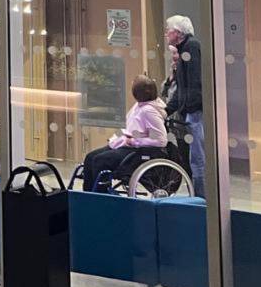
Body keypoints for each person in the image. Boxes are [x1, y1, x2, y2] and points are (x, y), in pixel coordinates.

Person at [79, 75, 168, 191]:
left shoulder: (149, 111)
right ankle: (87, 195)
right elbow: (127, 127)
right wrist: (115, 138)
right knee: (90, 157)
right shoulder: (138, 106)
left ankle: (101, 196)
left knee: (100, 160)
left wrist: (135, 141)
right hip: (124, 143)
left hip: (136, 150)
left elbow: (161, 140)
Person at [165, 15, 205, 195]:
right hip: (189, 112)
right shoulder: (184, 51)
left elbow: (195, 84)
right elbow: (181, 89)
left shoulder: (191, 47)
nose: (166, 33)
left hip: (194, 113)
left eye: (169, 30)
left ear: (178, 32)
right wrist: (166, 110)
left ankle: (201, 198)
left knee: (197, 159)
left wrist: (187, 108)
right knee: (192, 158)